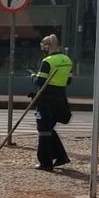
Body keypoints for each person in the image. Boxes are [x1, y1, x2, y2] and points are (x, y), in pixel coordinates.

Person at [32, 35, 72, 171]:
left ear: (47, 47)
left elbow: (40, 82)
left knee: (43, 130)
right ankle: (61, 156)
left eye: (43, 47)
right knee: (49, 128)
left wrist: (33, 77)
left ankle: (45, 162)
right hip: (61, 98)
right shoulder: (67, 60)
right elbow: (69, 81)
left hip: (46, 100)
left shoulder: (47, 61)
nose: (42, 50)